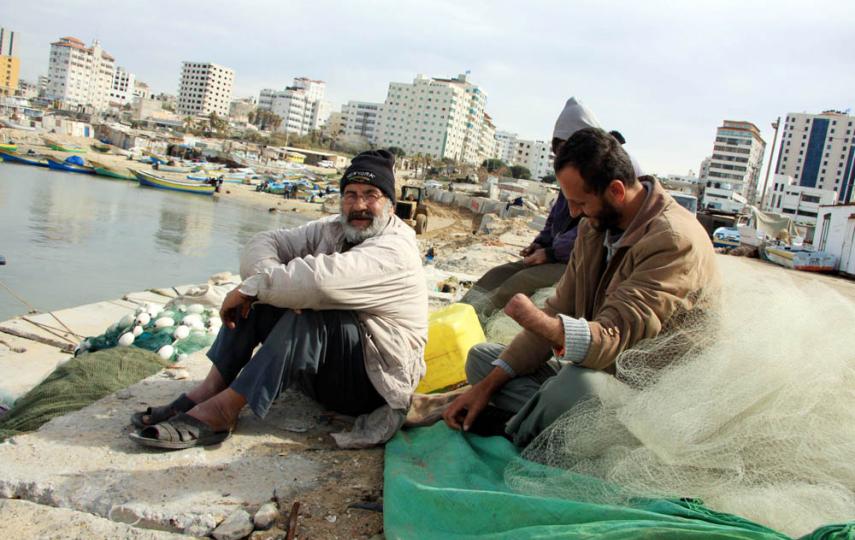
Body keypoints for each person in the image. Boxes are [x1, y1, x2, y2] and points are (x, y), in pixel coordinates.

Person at [130, 150, 428, 450]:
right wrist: (265, 284)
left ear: (390, 205)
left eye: (371, 195)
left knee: (308, 311)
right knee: (267, 296)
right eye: (350, 194)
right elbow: (265, 241)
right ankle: (210, 389)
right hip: (320, 379)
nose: (359, 205)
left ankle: (223, 411)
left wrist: (258, 286)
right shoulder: (332, 229)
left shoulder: (395, 249)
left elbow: (321, 283)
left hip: (373, 385)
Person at [443, 128, 719, 446]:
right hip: (597, 371)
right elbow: (561, 307)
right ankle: (546, 422)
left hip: (650, 397)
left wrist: (538, 321)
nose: (573, 213)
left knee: (575, 386)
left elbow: (613, 338)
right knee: (484, 361)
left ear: (616, 191)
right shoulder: (593, 227)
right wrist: (486, 386)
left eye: (580, 202)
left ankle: (516, 431)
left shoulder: (673, 240)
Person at [460, 97, 601, 325]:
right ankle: (455, 318)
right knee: (495, 275)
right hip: (557, 254)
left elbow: (589, 232)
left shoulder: (597, 174)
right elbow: (555, 219)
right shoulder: (571, 176)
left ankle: (474, 326)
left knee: (517, 285)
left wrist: (550, 254)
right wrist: (540, 244)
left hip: (581, 263)